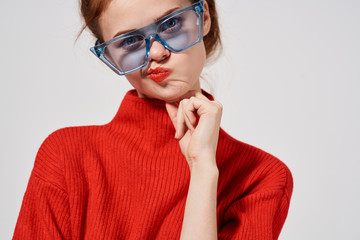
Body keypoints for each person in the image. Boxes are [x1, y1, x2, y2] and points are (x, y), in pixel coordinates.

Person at [13, 0, 293, 239]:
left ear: (203, 16)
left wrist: (203, 172)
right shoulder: (66, 155)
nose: (157, 53)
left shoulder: (261, 178)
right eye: (130, 41)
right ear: (110, 56)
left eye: (171, 24)